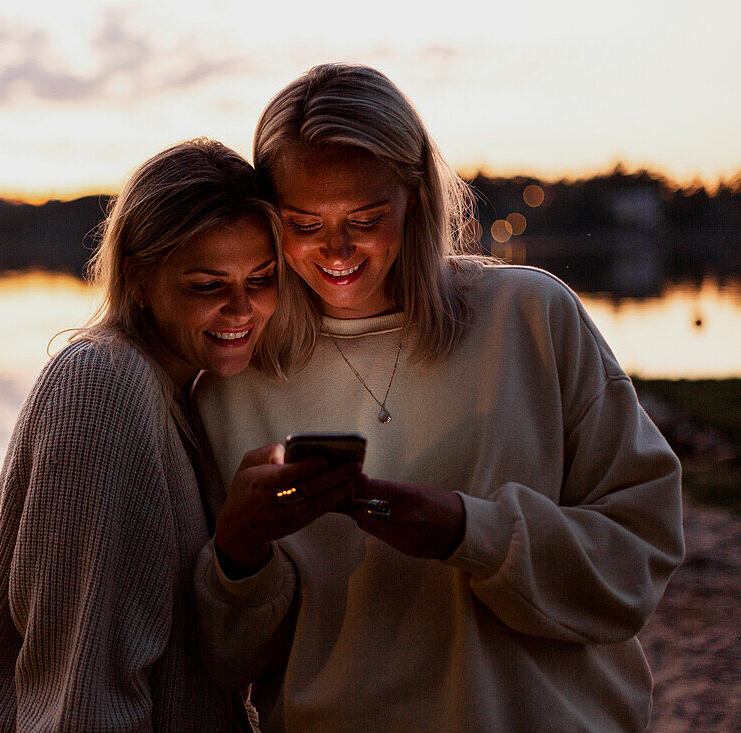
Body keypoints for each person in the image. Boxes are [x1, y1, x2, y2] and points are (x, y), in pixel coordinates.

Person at [192, 64, 685, 732]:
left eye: (365, 218)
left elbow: (639, 557)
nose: (336, 249)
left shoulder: (530, 317)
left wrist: (470, 531)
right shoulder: (234, 381)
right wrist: (238, 552)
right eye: (303, 223)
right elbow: (229, 662)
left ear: (416, 195)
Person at [0, 138, 355, 732]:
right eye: (208, 285)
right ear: (140, 278)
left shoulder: (178, 395)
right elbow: (80, 698)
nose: (242, 309)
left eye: (261, 279)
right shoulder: (102, 386)